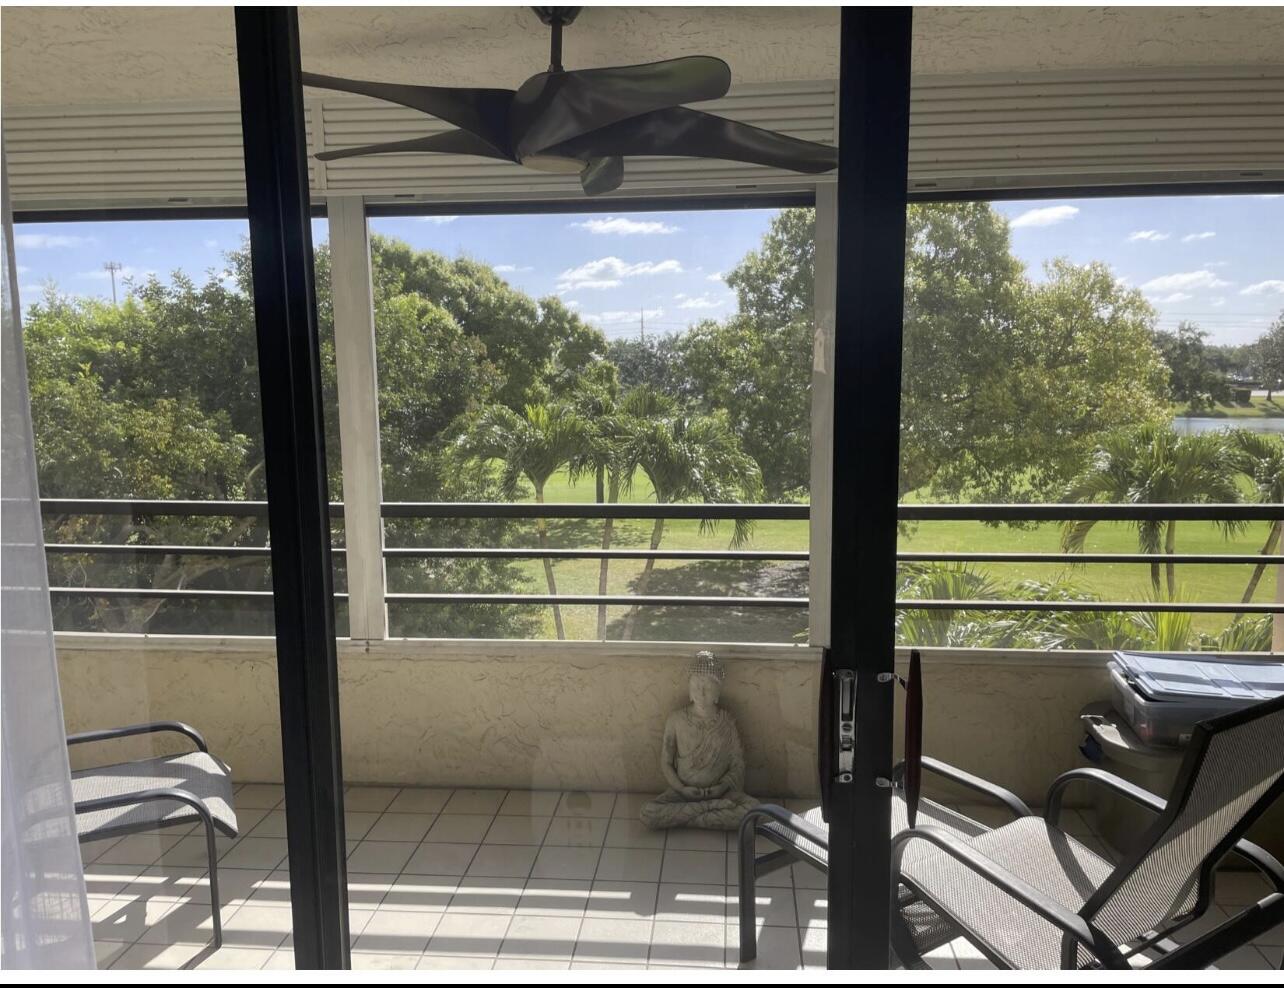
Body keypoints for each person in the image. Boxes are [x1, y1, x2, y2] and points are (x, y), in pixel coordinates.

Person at [640, 651, 757, 830]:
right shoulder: (676, 720)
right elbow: (666, 762)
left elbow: (738, 764)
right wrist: (681, 789)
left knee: (754, 810)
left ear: (717, 692)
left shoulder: (726, 722)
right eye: (696, 686)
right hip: (683, 794)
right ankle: (710, 811)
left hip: (721, 794)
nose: (701, 694)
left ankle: (690, 816)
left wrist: (721, 787)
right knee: (648, 813)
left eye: (708, 688)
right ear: (689, 689)